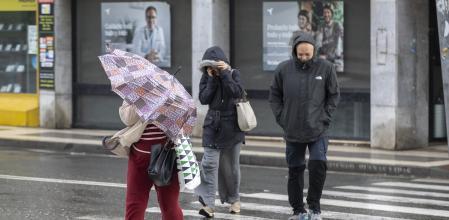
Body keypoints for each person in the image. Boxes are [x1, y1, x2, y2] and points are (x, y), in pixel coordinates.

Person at [269, 32, 340, 220]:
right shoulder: (283, 69)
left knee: (318, 164)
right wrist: (282, 117)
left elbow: (333, 95)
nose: (304, 58)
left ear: (314, 51)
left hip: (318, 129)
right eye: (300, 54)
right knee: (295, 170)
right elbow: (274, 95)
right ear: (294, 51)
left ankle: (314, 207)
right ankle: (298, 209)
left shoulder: (326, 68)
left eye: (307, 54)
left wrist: (326, 117)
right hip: (292, 129)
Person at [194, 46, 245, 218]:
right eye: (210, 67)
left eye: (216, 66)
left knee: (231, 167)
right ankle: (209, 204)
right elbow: (203, 99)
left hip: (232, 125)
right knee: (209, 164)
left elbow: (236, 92)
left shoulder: (234, 73)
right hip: (212, 125)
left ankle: (234, 199)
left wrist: (225, 74)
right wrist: (211, 80)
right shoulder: (206, 77)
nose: (213, 69)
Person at [119, 101, 183, 220]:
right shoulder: (172, 92)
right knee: (169, 203)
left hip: (144, 154)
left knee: (136, 202)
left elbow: (127, 119)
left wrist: (140, 101)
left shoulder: (137, 89)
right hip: (165, 155)